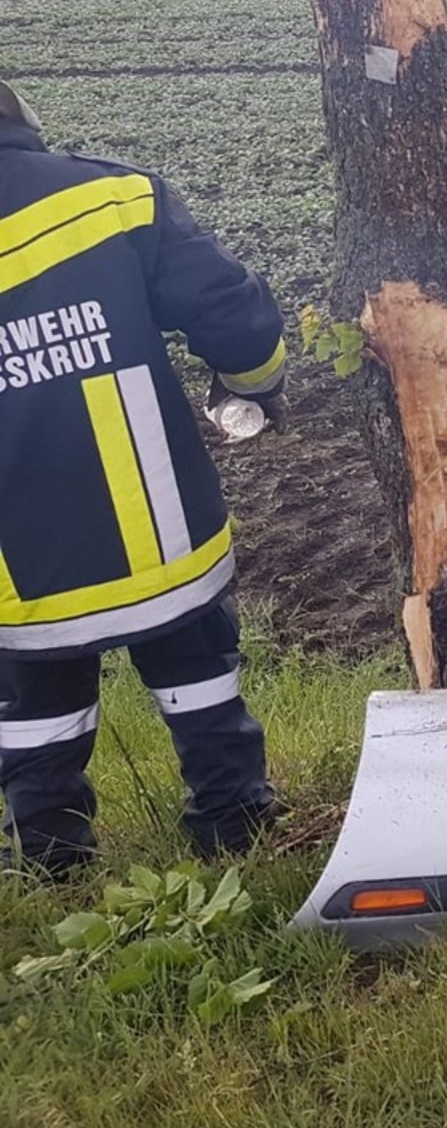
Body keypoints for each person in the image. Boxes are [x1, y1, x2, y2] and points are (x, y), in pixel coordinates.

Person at [0, 78, 287, 875]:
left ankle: (51, 858)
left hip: (16, 559)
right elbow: (227, 308)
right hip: (154, 523)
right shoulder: (113, 198)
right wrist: (256, 386)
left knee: (33, 704)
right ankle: (233, 821)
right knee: (198, 672)